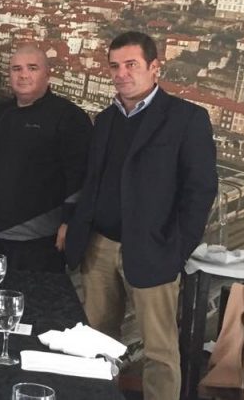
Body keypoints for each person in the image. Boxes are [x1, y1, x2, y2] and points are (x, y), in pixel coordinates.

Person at [65, 31, 218, 400]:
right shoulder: (104, 121)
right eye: (115, 66)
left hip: (154, 249)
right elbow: (93, 182)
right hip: (99, 247)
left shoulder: (186, 119)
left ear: (154, 67)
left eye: (131, 65)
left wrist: (177, 249)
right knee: (97, 343)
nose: (121, 74)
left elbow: (200, 191)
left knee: (159, 352)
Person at [0, 44, 92, 272]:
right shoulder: (0, 113)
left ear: (48, 74)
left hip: (39, 238)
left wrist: (70, 222)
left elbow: (80, 175)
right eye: (16, 69)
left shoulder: (70, 117)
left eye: (32, 68)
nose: (23, 75)